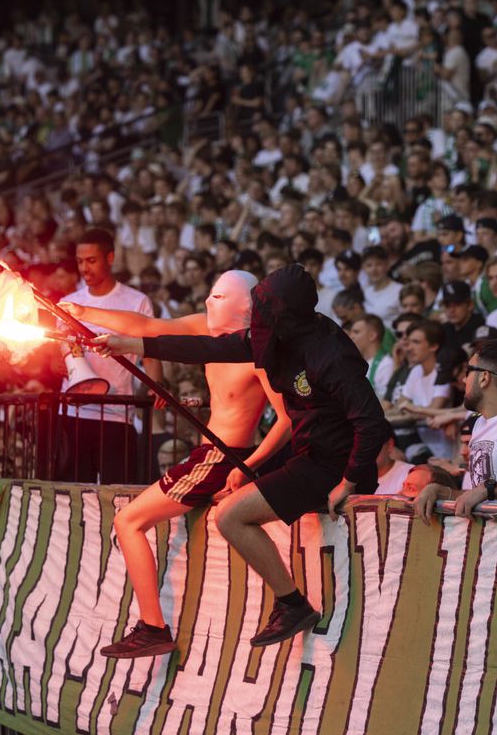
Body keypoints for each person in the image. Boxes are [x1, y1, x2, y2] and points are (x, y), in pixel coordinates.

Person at [94, 265, 389, 647]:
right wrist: (131, 345)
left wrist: (348, 481)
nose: (257, 315)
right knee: (231, 508)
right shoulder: (277, 336)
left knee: (231, 515)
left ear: (283, 312)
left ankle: (292, 604)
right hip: (308, 456)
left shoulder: (330, 354)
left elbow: (371, 423)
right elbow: (210, 347)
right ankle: (291, 604)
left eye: (265, 306)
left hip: (331, 466)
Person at [66, 270, 290, 658]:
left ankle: (153, 627)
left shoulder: (259, 350)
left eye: (218, 297)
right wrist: (82, 309)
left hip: (225, 457)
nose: (207, 302)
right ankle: (153, 626)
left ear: (245, 307)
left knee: (128, 521)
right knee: (129, 519)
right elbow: (147, 327)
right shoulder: (205, 329)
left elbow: (286, 419)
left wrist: (245, 465)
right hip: (207, 453)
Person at [57, 228, 163, 482]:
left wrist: (156, 384)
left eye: (91, 261)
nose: (84, 268)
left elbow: (149, 349)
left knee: (117, 492)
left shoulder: (136, 301)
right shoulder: (67, 302)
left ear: (110, 258)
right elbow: (60, 354)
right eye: (80, 261)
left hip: (117, 412)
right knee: (71, 494)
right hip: (74, 414)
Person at [413, 340, 497, 520]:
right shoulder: (480, 423)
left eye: (468, 372)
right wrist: (439, 491)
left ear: (484, 378)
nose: (463, 379)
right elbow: (476, 497)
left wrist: (489, 490)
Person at [390, 321, 453, 459]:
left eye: (416, 342)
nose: (409, 348)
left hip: (449, 452)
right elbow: (399, 406)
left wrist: (410, 409)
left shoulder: (443, 371)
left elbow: (434, 409)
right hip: (427, 449)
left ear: (434, 346)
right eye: (409, 342)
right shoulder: (416, 371)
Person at [347, 314, 396, 399]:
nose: (350, 336)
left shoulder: (386, 364)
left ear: (372, 336)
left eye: (356, 332)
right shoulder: (354, 364)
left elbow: (385, 402)